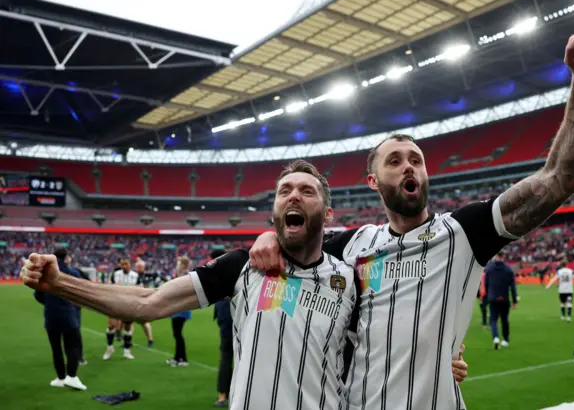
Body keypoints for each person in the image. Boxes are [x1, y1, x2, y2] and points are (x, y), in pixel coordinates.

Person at [248, 33, 574, 409]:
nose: (408, 165)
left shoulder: (463, 233)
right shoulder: (354, 244)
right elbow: (300, 242)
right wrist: (268, 238)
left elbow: (559, 179)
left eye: (415, 160)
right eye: (395, 160)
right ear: (373, 181)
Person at [20, 160, 467, 410]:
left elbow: (386, 341)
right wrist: (62, 284)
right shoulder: (243, 267)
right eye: (284, 190)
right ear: (273, 210)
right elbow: (148, 303)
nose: (294, 195)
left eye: (307, 191)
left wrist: (441, 363)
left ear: (328, 216)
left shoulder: (349, 278)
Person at [34, 248, 86, 390]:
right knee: (73, 347)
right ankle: (72, 377)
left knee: (56, 348)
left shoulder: (45, 274)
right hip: (68, 315)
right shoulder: (72, 273)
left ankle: (60, 378)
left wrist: (51, 303)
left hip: (51, 315)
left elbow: (38, 295)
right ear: (66, 257)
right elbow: (80, 292)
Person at [210, 249, 233, 407]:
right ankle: (224, 393)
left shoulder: (218, 270)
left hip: (227, 314)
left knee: (226, 356)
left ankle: (223, 394)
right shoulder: (233, 267)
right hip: (230, 314)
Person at [103, 259, 138, 361]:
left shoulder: (135, 276)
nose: (124, 266)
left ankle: (127, 351)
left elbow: (140, 289)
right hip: (116, 303)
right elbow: (109, 287)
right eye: (122, 264)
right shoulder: (115, 274)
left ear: (130, 265)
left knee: (127, 327)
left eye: (126, 264)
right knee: (111, 326)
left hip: (129, 304)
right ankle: (109, 348)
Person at [485, 251, 518, 349]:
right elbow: (512, 287)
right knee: (504, 320)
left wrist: (488, 295)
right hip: (504, 298)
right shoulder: (508, 269)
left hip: (493, 298)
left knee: (493, 319)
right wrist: (514, 300)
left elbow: (486, 284)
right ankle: (505, 340)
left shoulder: (489, 269)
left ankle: (495, 338)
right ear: (503, 256)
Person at [167, 255, 192, 367]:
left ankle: (183, 359)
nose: (177, 266)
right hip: (178, 309)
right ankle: (178, 358)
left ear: (183, 264)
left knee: (178, 334)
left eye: (178, 263)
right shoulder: (182, 276)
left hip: (181, 309)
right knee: (176, 334)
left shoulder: (186, 277)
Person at [134, 259, 155, 347]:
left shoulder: (144, 276)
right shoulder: (134, 275)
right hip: (134, 300)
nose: (138, 268)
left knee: (144, 322)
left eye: (140, 267)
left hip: (143, 300)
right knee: (128, 321)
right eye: (137, 267)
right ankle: (127, 341)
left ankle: (150, 340)